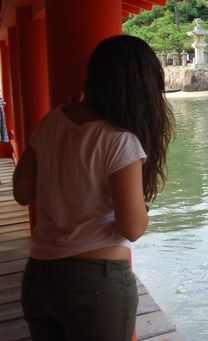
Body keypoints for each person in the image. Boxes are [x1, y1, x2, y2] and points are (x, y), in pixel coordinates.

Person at [13, 35, 174, 341]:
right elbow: (133, 228)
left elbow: (21, 192)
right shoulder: (120, 140)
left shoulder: (52, 121)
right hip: (95, 285)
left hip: (40, 276)